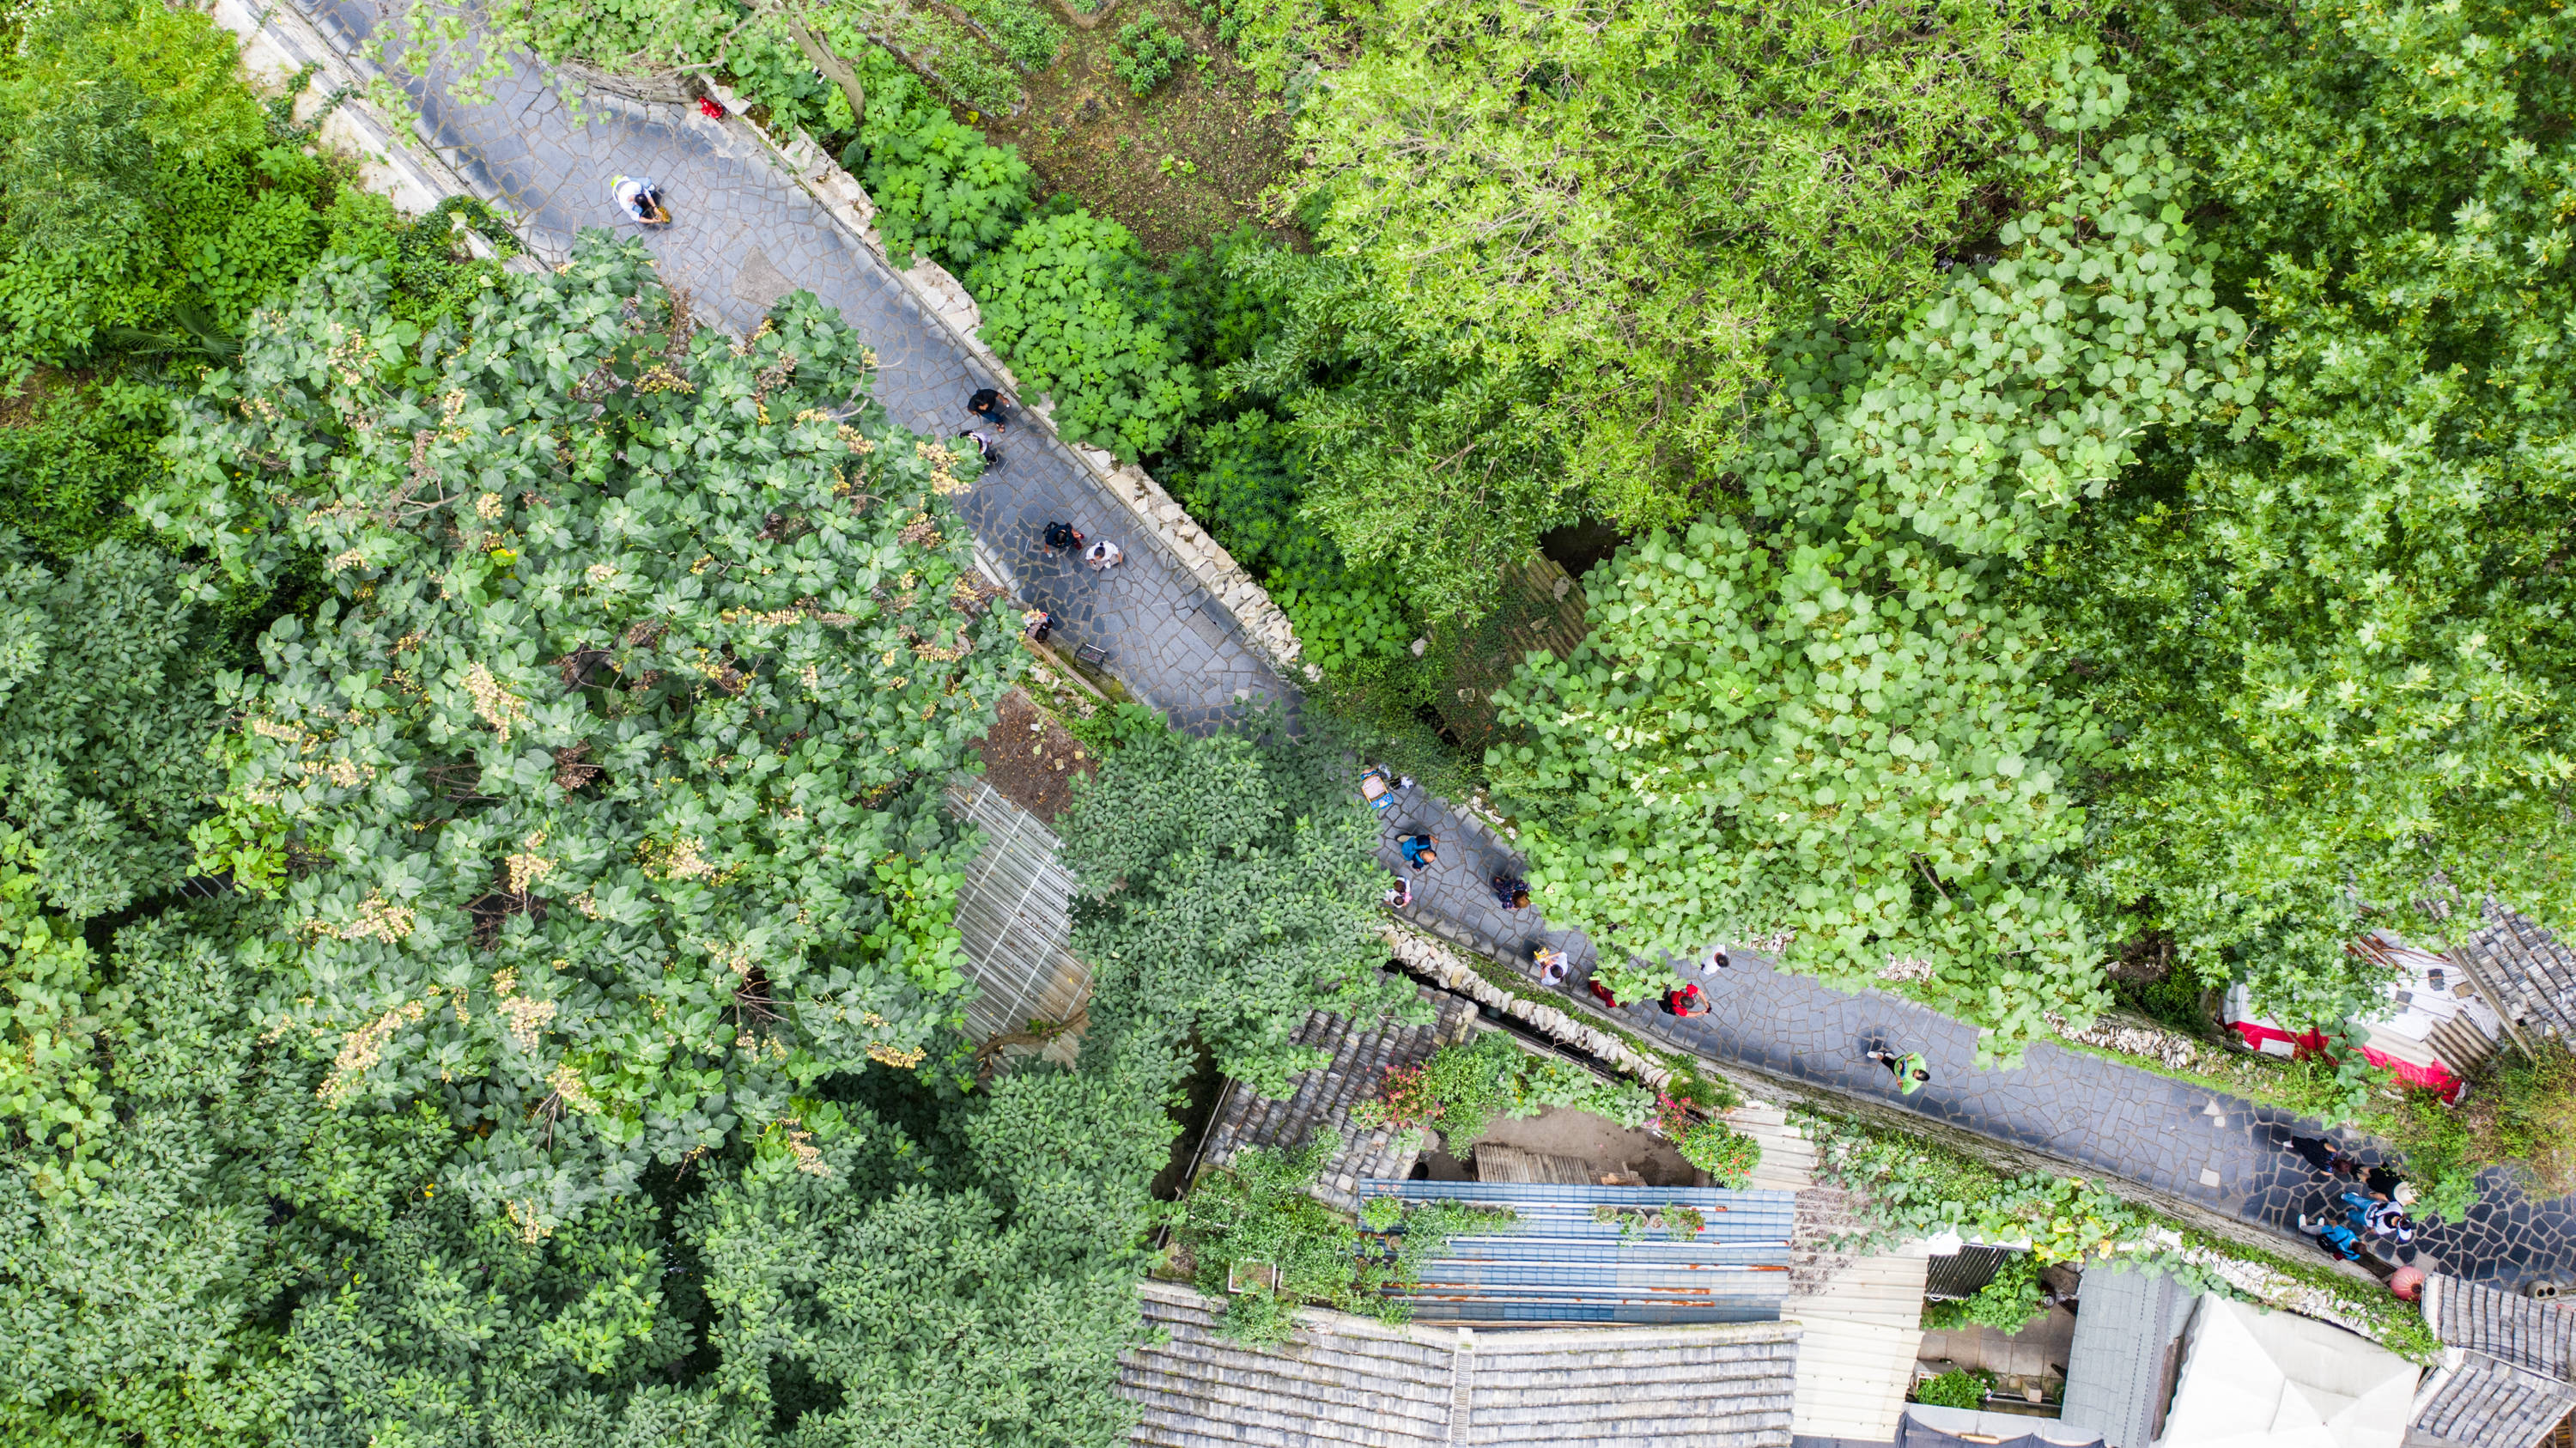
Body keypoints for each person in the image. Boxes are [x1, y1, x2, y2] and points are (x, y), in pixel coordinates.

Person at [1866, 1042, 1932, 1095]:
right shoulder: (1921, 1063)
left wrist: (1898, 1079)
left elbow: (1905, 1091)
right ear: (1921, 1069)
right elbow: (1915, 1055)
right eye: (1915, 1070)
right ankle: (1893, 1058)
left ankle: (1878, 1055)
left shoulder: (1913, 1084)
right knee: (1896, 1059)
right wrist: (1904, 1061)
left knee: (1885, 1061)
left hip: (1896, 1069)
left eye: (1913, 1074)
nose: (1912, 1072)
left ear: (1915, 1079)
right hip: (1902, 1059)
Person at [2297, 1212, 2366, 1262]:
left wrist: (2332, 1221)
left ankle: (2302, 1227)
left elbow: (2334, 1225)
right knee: (2319, 1229)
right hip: (2329, 1242)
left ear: (2360, 1242)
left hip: (2325, 1232)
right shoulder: (2354, 1255)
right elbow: (2346, 1257)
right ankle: (2319, 1225)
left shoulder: (2346, 1234)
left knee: (2314, 1230)